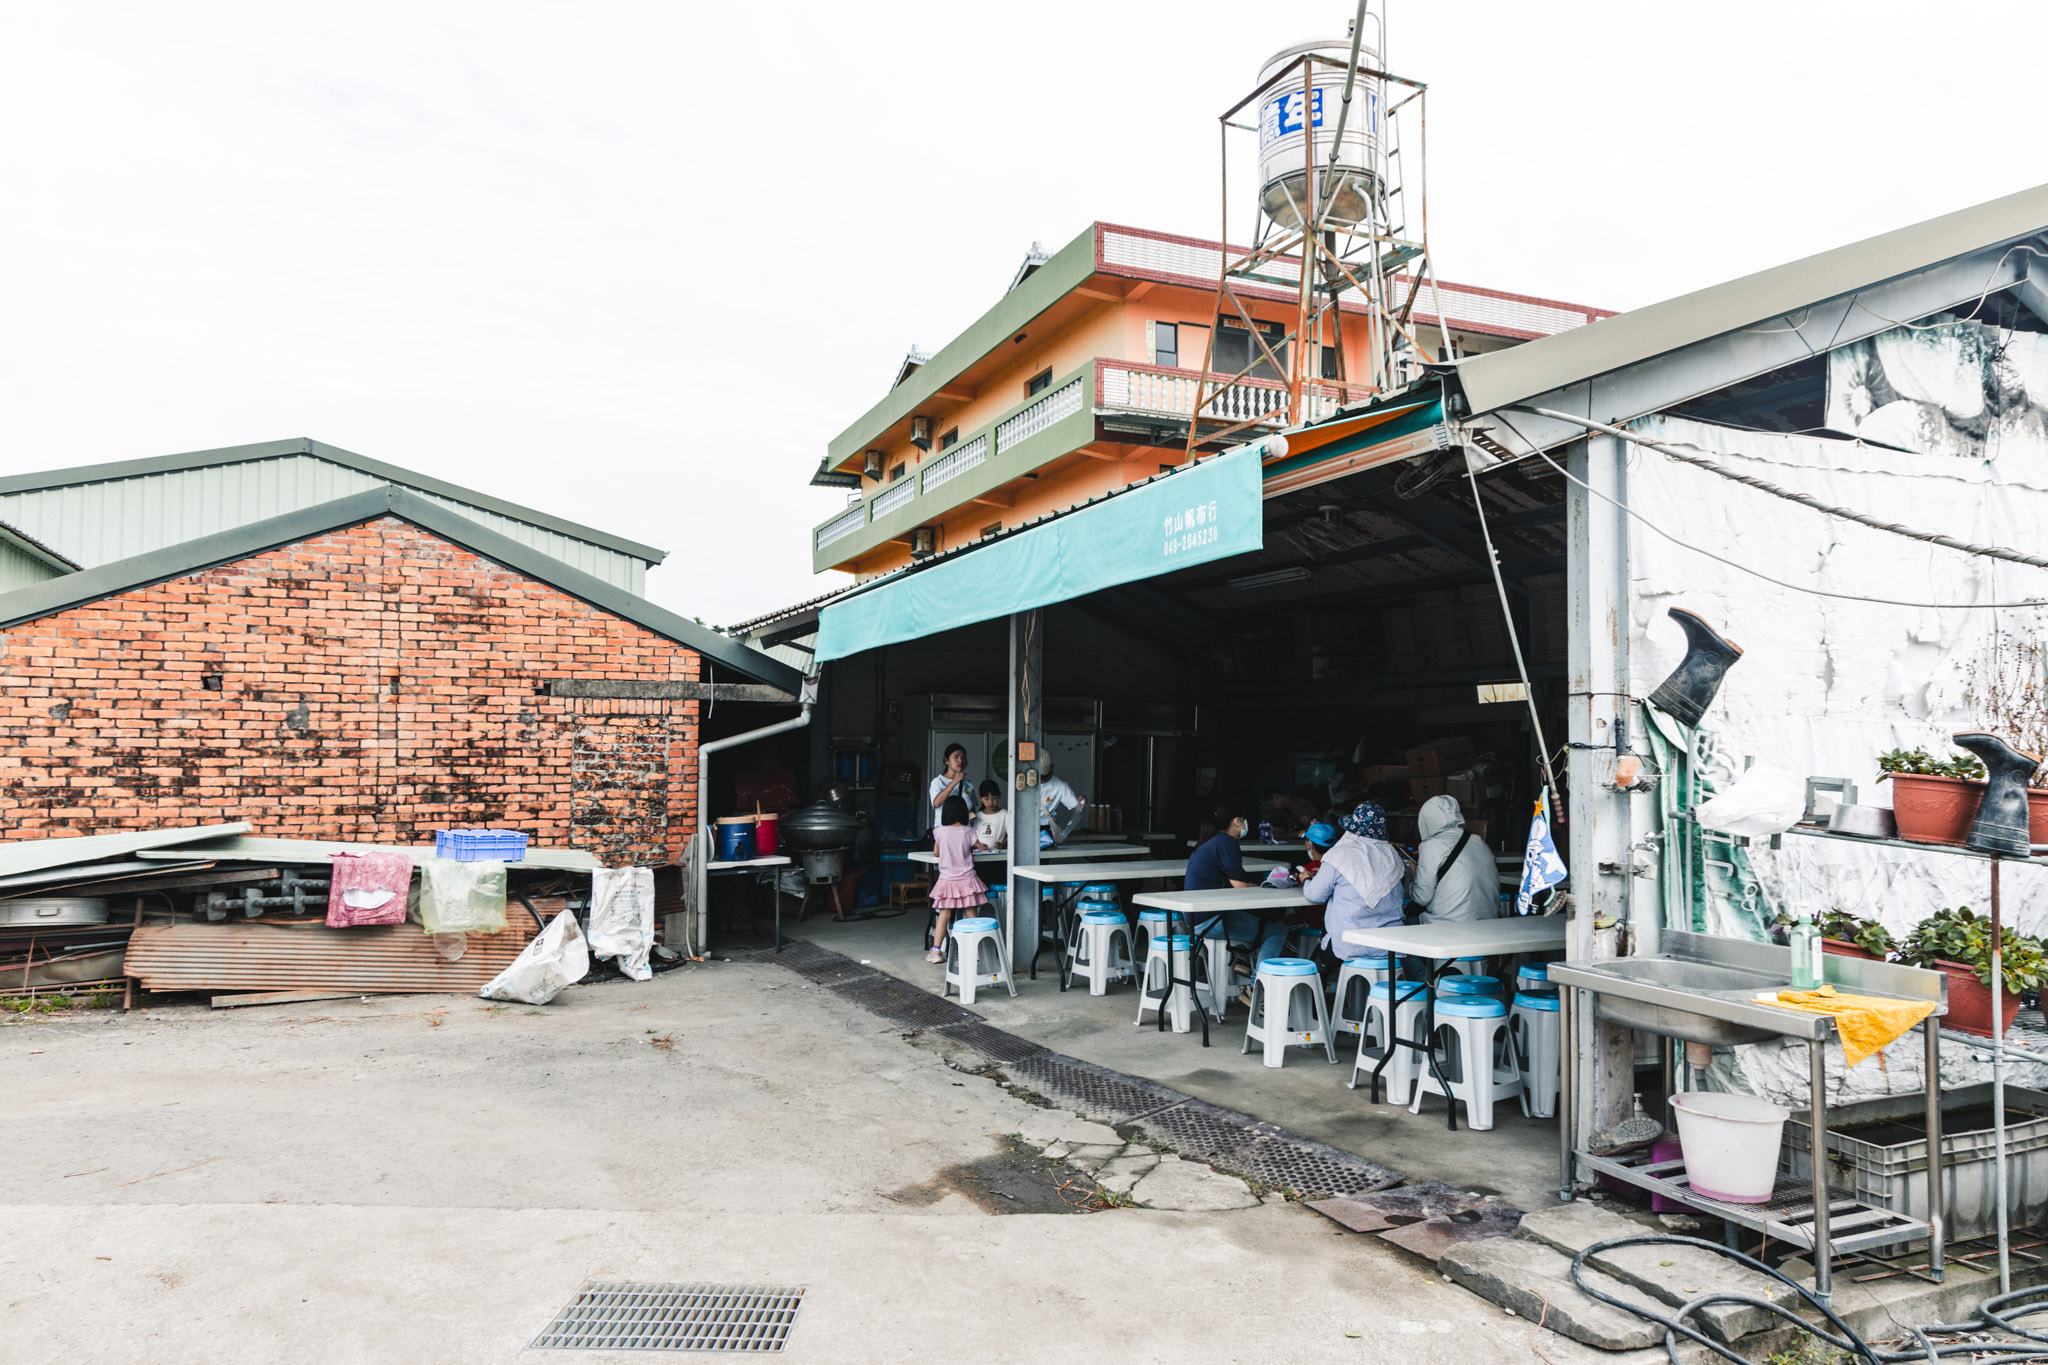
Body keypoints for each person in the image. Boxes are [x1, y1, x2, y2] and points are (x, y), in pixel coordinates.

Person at [1186, 805, 1289, 982]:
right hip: (1209, 920)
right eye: (1244, 820)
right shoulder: (1226, 843)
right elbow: (1240, 885)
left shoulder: (1211, 841)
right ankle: (1259, 987)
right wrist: (1268, 888)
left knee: (1262, 919)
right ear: (1237, 821)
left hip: (1197, 916)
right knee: (1277, 930)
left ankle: (1246, 962)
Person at [1304, 805, 1406, 952]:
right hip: (1392, 946)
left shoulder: (1338, 856)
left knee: (1320, 962)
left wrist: (1307, 880)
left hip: (1351, 945)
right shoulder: (1392, 856)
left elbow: (1315, 895)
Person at [1411, 794, 1503, 924]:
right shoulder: (1478, 841)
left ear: (1426, 820)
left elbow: (1421, 897)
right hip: (1488, 923)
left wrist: (1413, 875)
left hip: (1447, 925)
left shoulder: (1431, 846)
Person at [927, 794, 989, 963]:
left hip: (947, 880)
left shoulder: (939, 832)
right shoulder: (969, 831)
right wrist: (983, 846)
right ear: (963, 813)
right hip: (967, 880)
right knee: (970, 913)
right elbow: (981, 847)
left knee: (944, 914)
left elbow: (936, 853)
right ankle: (976, 951)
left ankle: (936, 952)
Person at [1034, 756, 1086, 845]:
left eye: (1043, 776)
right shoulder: (1026, 782)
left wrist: (1065, 832)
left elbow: (1077, 808)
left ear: (1051, 768)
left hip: (1046, 829)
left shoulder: (1060, 786)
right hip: (1026, 826)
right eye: (1039, 775)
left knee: (1043, 856)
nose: (1041, 779)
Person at [929, 744, 970, 831]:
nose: (960, 760)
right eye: (956, 757)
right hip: (944, 833)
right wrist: (954, 781)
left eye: (963, 757)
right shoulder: (937, 781)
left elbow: (971, 809)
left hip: (964, 833)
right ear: (946, 760)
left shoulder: (968, 784)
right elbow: (936, 803)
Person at [972, 779, 1010, 851]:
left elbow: (1011, 834)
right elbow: (972, 835)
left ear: (999, 796)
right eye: (986, 799)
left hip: (998, 856)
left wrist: (1003, 844)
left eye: (994, 798)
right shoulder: (977, 816)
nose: (990, 802)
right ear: (980, 799)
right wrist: (979, 845)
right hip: (979, 855)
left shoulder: (1005, 814)